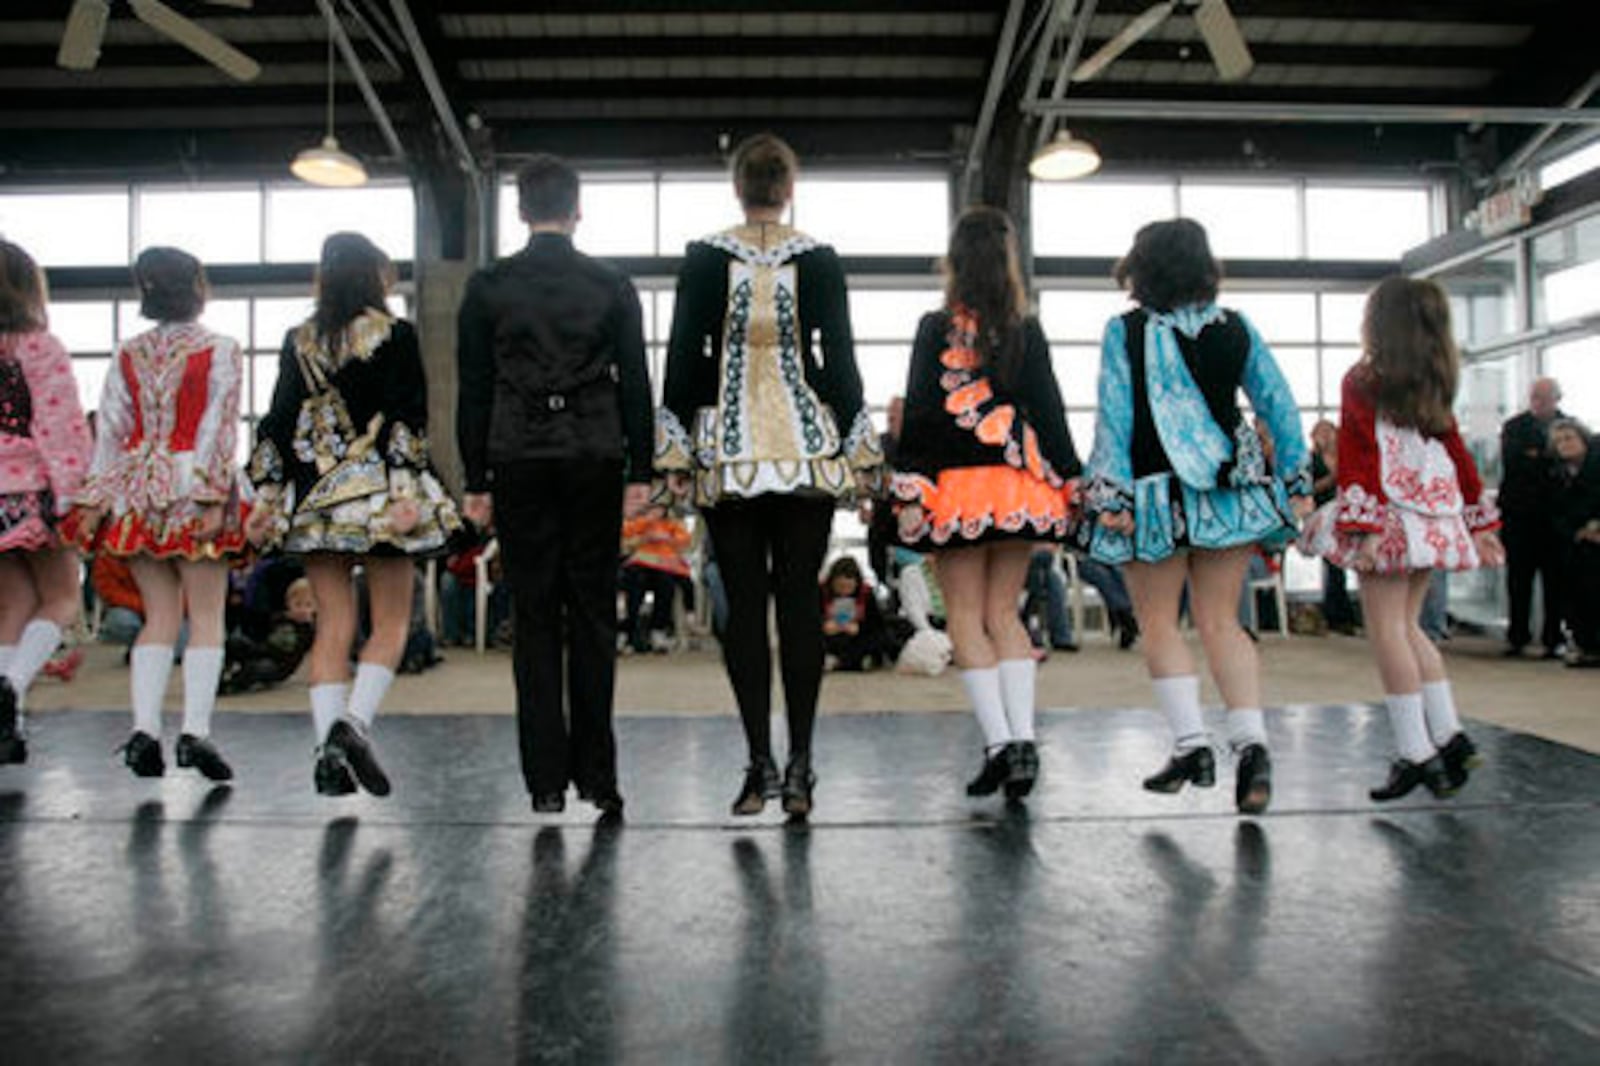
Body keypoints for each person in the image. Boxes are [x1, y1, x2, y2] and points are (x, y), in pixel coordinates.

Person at [656, 133, 882, 818]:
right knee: (799, 602)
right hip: (807, 446)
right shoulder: (818, 257)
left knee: (745, 608)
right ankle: (803, 766)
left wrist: (673, 450)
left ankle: (758, 763)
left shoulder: (702, 258)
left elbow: (683, 359)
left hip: (728, 450)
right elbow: (836, 358)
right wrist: (861, 445)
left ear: (737, 188)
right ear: (788, 189)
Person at [1078, 218, 1311, 816]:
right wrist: (1295, 483)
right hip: (1231, 496)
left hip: (1157, 498)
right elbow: (1278, 406)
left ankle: (1191, 745)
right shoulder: (1236, 328)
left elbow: (1115, 420)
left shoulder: (1124, 331)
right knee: (1220, 622)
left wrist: (1111, 498)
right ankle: (1253, 746)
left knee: (1158, 622)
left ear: (1141, 265)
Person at [457, 155, 652, 818]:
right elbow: (635, 380)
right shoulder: (611, 284)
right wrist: (644, 468)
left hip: (517, 455)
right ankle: (599, 777)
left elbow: (474, 388)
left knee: (535, 614)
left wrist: (474, 476)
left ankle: (544, 780)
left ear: (520, 210)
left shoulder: (488, 286)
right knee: (595, 615)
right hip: (594, 452)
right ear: (577, 210)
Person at [248, 232, 461, 797]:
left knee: (333, 625)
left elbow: (277, 422)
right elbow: (407, 414)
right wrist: (403, 491)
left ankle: (327, 752)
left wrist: (268, 497)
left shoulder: (299, 340)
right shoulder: (396, 334)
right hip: (380, 501)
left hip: (318, 501)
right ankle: (354, 724)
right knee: (391, 622)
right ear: (377, 277)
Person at [893, 205, 1080, 800]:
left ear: (955, 263)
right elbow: (1050, 413)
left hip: (956, 493)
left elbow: (920, 414)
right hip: (1019, 488)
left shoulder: (933, 327)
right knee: (1006, 616)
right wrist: (1072, 483)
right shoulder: (1026, 329)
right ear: (1007, 263)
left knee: (966, 618)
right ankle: (1023, 743)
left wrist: (911, 491)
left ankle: (1000, 744)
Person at [1301, 277, 1503, 799]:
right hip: (1432, 514)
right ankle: (1450, 735)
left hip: (1387, 515)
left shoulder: (1363, 379)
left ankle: (1415, 751)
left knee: (1387, 630)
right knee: (1410, 627)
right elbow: (1459, 456)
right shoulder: (1435, 384)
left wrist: (1363, 529)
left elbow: (1361, 454)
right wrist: (1480, 524)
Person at [68, 247, 245, 781]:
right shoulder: (221, 348)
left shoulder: (128, 352)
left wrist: (95, 500)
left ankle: (144, 730)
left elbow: (112, 432)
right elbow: (219, 425)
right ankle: (195, 733)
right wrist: (214, 494)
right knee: (207, 616)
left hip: (137, 490)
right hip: (192, 486)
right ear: (196, 285)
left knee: (159, 616)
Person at [0, 238, 93, 764]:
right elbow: (58, 428)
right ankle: (10, 687)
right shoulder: (39, 346)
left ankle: (6, 724)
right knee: (61, 596)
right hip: (29, 489)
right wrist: (72, 498)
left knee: (10, 605)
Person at [1499, 377, 1565, 658]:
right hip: (1519, 519)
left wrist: (1536, 457)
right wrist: (1547, 459)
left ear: (1556, 398)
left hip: (1554, 520)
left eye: (1545, 397)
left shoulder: (1568, 426)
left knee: (1555, 582)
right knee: (1518, 581)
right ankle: (1517, 636)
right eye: (1535, 396)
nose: (1539, 402)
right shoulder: (1514, 427)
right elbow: (1515, 464)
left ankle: (1553, 637)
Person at [1549, 418, 1600, 666]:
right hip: (1574, 541)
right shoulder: (1557, 472)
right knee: (1575, 592)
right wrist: (1575, 531)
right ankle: (1586, 644)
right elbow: (1554, 510)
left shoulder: (1596, 463)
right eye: (1559, 441)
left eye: (1569, 438)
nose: (1564, 444)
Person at [619, 505, 693, 653]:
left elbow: (685, 542)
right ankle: (628, 631)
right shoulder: (638, 522)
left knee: (666, 584)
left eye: (659, 509)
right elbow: (624, 541)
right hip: (639, 565)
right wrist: (643, 538)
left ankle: (658, 630)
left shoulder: (672, 525)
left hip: (664, 567)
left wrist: (669, 539)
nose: (656, 513)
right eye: (653, 509)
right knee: (635, 582)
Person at [1310, 418, 1357, 634]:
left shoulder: (1347, 456)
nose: (1326, 436)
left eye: (1329, 431)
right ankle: (1337, 614)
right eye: (1321, 433)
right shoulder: (1312, 460)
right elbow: (1308, 488)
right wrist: (1330, 480)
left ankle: (1346, 612)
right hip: (1323, 515)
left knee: (1349, 562)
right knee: (1333, 564)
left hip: (1347, 514)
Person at [820, 555, 890, 671]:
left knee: (878, 639)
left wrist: (859, 628)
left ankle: (840, 662)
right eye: (840, 586)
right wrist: (824, 625)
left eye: (848, 587)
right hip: (830, 637)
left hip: (856, 637)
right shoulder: (821, 593)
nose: (844, 591)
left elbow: (877, 625)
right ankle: (848, 662)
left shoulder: (866, 594)